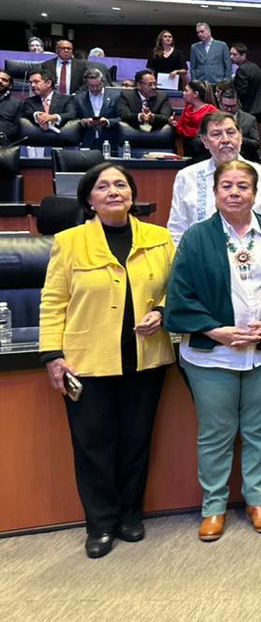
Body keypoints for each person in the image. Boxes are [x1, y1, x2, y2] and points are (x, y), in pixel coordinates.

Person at [39, 163, 175, 558]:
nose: (113, 191)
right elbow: (53, 302)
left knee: (136, 442)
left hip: (146, 358)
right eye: (103, 186)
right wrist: (52, 355)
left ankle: (131, 515)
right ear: (89, 199)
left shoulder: (160, 237)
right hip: (87, 361)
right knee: (93, 445)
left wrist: (163, 311)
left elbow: (176, 287)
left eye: (121, 184)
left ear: (133, 195)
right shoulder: (70, 241)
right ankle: (100, 523)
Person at [165, 160, 261, 542]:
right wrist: (215, 331)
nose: (235, 192)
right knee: (216, 432)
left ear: (256, 193)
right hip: (211, 354)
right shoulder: (196, 238)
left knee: (259, 429)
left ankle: (257, 500)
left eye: (243, 186)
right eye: (227, 186)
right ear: (216, 192)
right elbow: (180, 295)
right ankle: (214, 507)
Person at [168, 112, 261, 244]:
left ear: (240, 137)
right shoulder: (187, 177)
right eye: (216, 134)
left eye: (231, 132)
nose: (225, 140)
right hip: (200, 258)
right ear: (205, 141)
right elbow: (177, 232)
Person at [70, 68, 121, 149]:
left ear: (103, 82)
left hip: (109, 143)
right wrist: (84, 122)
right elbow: (72, 119)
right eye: (91, 86)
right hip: (86, 141)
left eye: (98, 85)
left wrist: (107, 122)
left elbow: (121, 118)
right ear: (86, 84)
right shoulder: (78, 98)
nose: (95, 89)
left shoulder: (115, 97)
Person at [19, 68, 76, 140]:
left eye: (36, 82)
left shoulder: (66, 99)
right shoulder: (29, 102)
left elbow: (71, 114)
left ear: (48, 83)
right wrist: (38, 116)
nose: (32, 85)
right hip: (37, 140)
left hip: (61, 140)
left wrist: (53, 117)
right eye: (31, 83)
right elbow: (27, 113)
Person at [170, 80, 218, 158]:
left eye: (186, 91)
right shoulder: (187, 108)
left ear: (196, 94)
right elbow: (181, 128)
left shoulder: (211, 110)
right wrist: (174, 124)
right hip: (187, 146)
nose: (183, 93)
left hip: (203, 149)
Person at [118, 70, 174, 136]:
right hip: (134, 132)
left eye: (155, 84)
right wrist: (140, 117)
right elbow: (124, 115)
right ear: (139, 85)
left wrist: (153, 117)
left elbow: (165, 116)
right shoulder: (126, 96)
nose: (154, 87)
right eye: (150, 84)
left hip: (155, 133)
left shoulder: (162, 97)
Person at [216, 83, 259, 162]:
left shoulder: (249, 119)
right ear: (220, 103)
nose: (229, 109)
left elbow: (256, 144)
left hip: (244, 159)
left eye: (232, 106)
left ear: (238, 103)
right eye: (225, 106)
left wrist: (237, 137)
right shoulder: (211, 118)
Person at [231, 43, 261, 123]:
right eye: (231, 54)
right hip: (259, 108)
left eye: (234, 54)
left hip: (248, 109)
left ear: (243, 55)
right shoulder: (255, 66)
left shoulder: (242, 70)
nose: (231, 57)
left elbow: (242, 92)